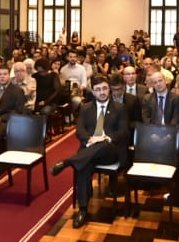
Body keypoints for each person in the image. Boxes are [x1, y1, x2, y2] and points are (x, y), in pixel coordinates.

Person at [49, 75, 128, 228]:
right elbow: (80, 131)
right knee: (83, 166)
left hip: (110, 151)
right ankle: (83, 210)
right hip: (90, 149)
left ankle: (67, 162)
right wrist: (89, 140)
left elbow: (123, 132)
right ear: (93, 91)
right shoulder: (85, 108)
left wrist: (106, 138)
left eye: (104, 88)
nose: (102, 92)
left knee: (102, 144)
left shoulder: (120, 108)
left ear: (109, 89)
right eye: (98, 89)